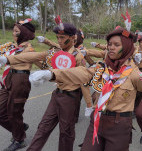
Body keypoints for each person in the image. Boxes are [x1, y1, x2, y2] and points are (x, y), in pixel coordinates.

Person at [26, 27, 142, 151]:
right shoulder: (102, 67)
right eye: (109, 44)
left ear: (126, 47)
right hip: (97, 121)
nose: (111, 47)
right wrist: (51, 74)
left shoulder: (135, 74)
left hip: (119, 126)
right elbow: (82, 72)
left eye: (116, 44)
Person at [1, 23, 89, 151]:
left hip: (70, 97)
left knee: (66, 132)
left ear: (72, 38)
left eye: (62, 37)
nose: (59, 40)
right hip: (57, 94)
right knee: (43, 127)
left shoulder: (78, 56)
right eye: (58, 37)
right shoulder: (57, 52)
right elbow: (35, 55)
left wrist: (89, 104)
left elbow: (83, 79)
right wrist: (8, 60)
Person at [0, 19, 36, 151]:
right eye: (13, 30)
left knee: (14, 112)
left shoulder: (29, 50)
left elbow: (19, 59)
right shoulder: (13, 46)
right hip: (8, 80)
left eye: (16, 31)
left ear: (24, 34)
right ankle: (19, 128)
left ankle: (19, 140)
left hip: (20, 81)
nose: (13, 33)